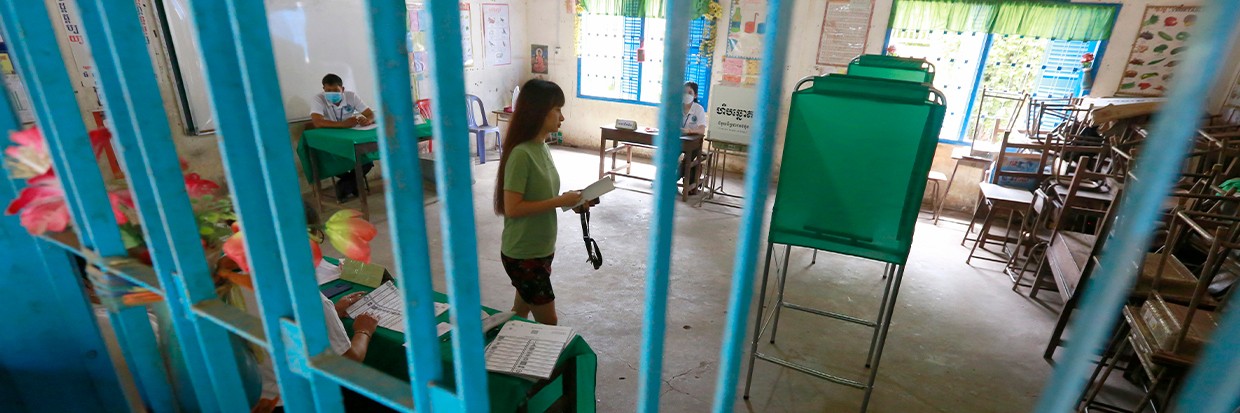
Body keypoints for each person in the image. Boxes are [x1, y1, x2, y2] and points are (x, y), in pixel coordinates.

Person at [494, 79, 583, 326]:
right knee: (549, 323)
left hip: (540, 249)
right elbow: (513, 208)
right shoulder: (521, 154)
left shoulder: (541, 146)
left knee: (519, 314)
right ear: (539, 111)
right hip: (525, 255)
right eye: (558, 110)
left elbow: (542, 197)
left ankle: (502, 353)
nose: (562, 118)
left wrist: (573, 201)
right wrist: (559, 201)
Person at [309, 73, 376, 203]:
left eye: (335, 90)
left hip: (350, 136)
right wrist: (343, 124)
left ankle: (345, 187)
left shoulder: (351, 96)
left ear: (343, 89)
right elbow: (317, 122)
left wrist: (367, 120)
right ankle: (352, 185)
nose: (331, 93)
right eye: (328, 90)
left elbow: (370, 114)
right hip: (330, 139)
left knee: (367, 161)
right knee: (333, 162)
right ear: (323, 89)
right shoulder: (318, 99)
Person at [679, 82, 708, 195]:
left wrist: (690, 131)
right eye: (685, 92)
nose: (686, 95)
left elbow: (701, 130)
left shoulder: (698, 109)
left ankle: (688, 182)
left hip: (694, 143)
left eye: (690, 92)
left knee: (688, 162)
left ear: (695, 95)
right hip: (679, 140)